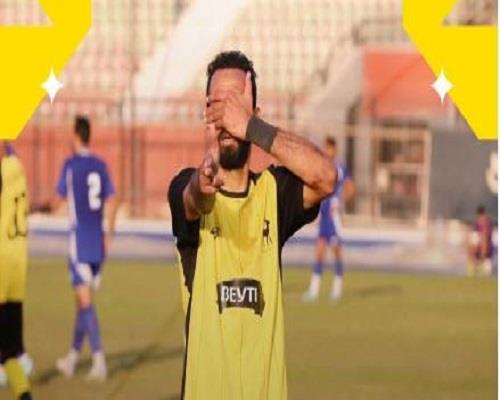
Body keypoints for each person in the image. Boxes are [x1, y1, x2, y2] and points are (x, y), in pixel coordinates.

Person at [168, 51, 337, 400]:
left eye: (234, 104)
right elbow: (194, 199)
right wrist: (201, 185)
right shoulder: (186, 185)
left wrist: (252, 129)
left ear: (252, 113)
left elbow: (326, 177)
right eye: (217, 106)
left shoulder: (273, 193)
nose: (225, 117)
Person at [52, 116, 118, 381]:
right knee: (82, 302)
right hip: (98, 244)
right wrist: (109, 235)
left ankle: (99, 361)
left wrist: (37, 206)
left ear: (76, 135)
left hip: (79, 244)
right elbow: (112, 199)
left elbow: (57, 200)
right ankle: (71, 358)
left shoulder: (70, 165)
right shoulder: (100, 165)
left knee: (85, 302)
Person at [0, 141, 34, 399]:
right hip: (18, 269)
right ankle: (25, 395)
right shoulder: (18, 169)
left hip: (1, 266)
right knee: (9, 350)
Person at [303, 136, 354, 302]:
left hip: (333, 216)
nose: (327, 151)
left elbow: (350, 187)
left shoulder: (339, 168)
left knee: (336, 251)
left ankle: (337, 289)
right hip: (324, 216)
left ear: (334, 149)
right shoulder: (322, 167)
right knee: (319, 252)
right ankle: (314, 290)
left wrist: (340, 203)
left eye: (329, 148)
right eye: (325, 148)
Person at [467, 206, 495, 276]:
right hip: (482, 244)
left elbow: (486, 234)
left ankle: (483, 272)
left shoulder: (485, 222)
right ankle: (475, 270)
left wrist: (483, 241)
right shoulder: (480, 222)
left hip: (486, 244)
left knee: (486, 259)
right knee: (480, 258)